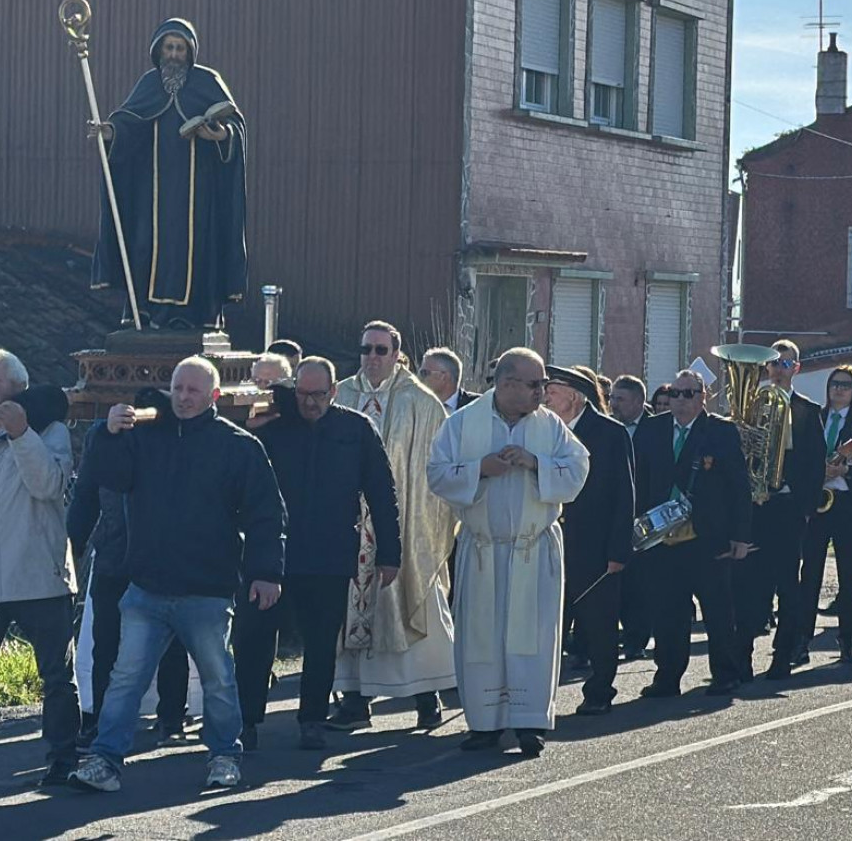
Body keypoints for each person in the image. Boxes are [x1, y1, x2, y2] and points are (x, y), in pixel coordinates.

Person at [69, 357, 285, 793]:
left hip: (207, 589)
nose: (184, 398)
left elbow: (267, 514)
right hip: (147, 585)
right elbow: (109, 475)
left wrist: (266, 572)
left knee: (218, 679)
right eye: (178, 389)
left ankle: (225, 756)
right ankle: (106, 760)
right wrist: (105, 431)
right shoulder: (144, 437)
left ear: (214, 397)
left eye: (193, 391)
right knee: (125, 679)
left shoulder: (239, 446)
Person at [234, 357, 401, 751]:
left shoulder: (356, 429)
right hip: (272, 554)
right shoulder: (271, 427)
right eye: (304, 394)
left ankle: (312, 717)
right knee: (255, 638)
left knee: (322, 641)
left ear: (334, 391)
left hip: (328, 553)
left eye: (319, 395)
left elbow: (382, 492)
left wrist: (389, 553)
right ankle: (247, 719)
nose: (310, 403)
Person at [428, 349, 589, 756]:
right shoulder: (463, 423)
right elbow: (437, 473)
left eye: (543, 385)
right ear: (506, 384)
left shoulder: (550, 426)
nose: (542, 392)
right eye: (535, 385)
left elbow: (578, 469)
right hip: (483, 548)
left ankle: (530, 722)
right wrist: (480, 469)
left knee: (533, 636)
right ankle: (484, 722)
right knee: (481, 637)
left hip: (532, 550)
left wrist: (536, 463)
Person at [329, 321, 457, 731]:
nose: (372, 357)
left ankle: (426, 693)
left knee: (414, 603)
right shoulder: (342, 394)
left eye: (381, 350)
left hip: (403, 524)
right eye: (366, 349)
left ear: (397, 354)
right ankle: (354, 698)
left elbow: (433, 474)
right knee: (345, 606)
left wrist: (416, 530)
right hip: (348, 528)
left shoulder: (421, 403)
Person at [88, 18, 247, 330]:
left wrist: (220, 136)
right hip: (154, 192)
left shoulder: (207, 81)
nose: (174, 55)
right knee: (147, 244)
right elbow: (129, 125)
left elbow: (235, 128)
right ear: (159, 51)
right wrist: (108, 132)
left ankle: (196, 314)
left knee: (197, 250)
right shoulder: (149, 84)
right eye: (169, 48)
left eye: (180, 49)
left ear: (190, 53)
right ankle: (147, 312)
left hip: (198, 192)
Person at [0, 350, 80, 786]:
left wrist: (21, 434)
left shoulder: (51, 431)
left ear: (20, 388)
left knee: (57, 678)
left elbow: (48, 486)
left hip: (40, 575)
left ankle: (62, 760)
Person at [66, 411, 190, 751]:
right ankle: (100, 721)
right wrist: (72, 542)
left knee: (171, 639)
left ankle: (171, 717)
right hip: (113, 554)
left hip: (162, 556)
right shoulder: (99, 436)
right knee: (105, 643)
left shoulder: (171, 433)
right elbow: (86, 493)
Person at [634, 369, 752, 697]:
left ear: (703, 397)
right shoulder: (652, 428)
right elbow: (640, 480)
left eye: (689, 393)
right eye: (675, 393)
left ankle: (726, 674)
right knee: (667, 611)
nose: (680, 400)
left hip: (706, 536)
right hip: (661, 537)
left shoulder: (720, 431)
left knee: (717, 610)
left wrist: (741, 535)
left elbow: (738, 486)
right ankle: (667, 678)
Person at [732, 340, 825, 681]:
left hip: (787, 506)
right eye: (773, 364)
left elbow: (815, 466)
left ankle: (783, 654)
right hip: (756, 507)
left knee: (788, 584)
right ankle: (742, 655)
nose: (778, 369)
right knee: (747, 583)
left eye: (786, 364)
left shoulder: (808, 410)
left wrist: (804, 508)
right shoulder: (752, 407)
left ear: (796, 368)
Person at [544, 366, 633, 715]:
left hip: (595, 547)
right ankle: (540, 698)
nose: (546, 395)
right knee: (552, 626)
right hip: (551, 544)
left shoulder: (609, 432)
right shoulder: (543, 429)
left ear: (574, 395)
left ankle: (599, 690)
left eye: (552, 389)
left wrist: (618, 550)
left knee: (599, 626)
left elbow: (624, 494)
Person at [793, 366, 852, 665]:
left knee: (849, 576)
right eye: (834, 384)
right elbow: (800, 459)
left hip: (848, 505)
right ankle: (802, 640)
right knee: (810, 576)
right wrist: (818, 473)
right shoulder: (815, 417)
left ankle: (846, 638)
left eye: (845, 385)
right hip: (818, 503)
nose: (838, 390)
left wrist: (847, 469)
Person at [609, 374, 652, 660]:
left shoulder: (654, 428)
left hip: (646, 516)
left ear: (638, 401)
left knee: (640, 583)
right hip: (616, 515)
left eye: (620, 400)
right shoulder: (609, 429)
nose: (613, 405)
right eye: (612, 398)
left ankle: (637, 637)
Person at [418, 347, 479, 413]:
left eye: (424, 373)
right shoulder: (416, 406)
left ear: (444, 377)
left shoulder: (478, 405)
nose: (419, 378)